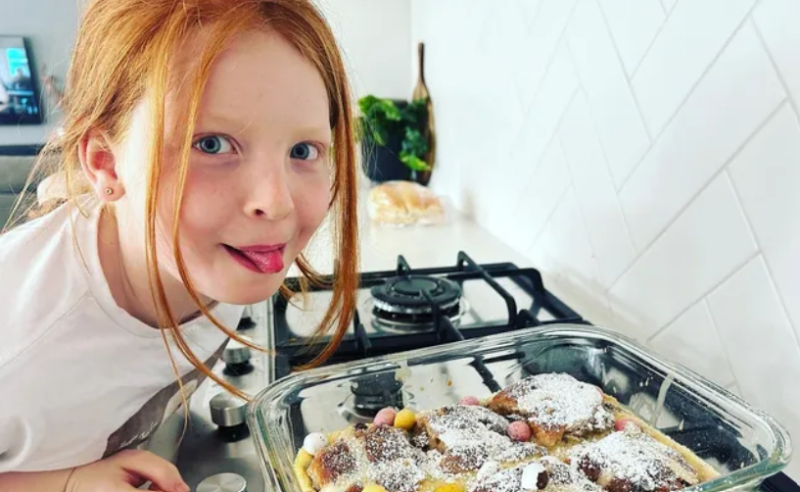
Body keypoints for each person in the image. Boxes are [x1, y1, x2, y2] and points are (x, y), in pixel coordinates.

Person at [0, 0, 360, 490]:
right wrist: (60, 484)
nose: (275, 204)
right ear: (106, 163)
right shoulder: (19, 349)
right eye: (211, 144)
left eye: (303, 151)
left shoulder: (227, 262)